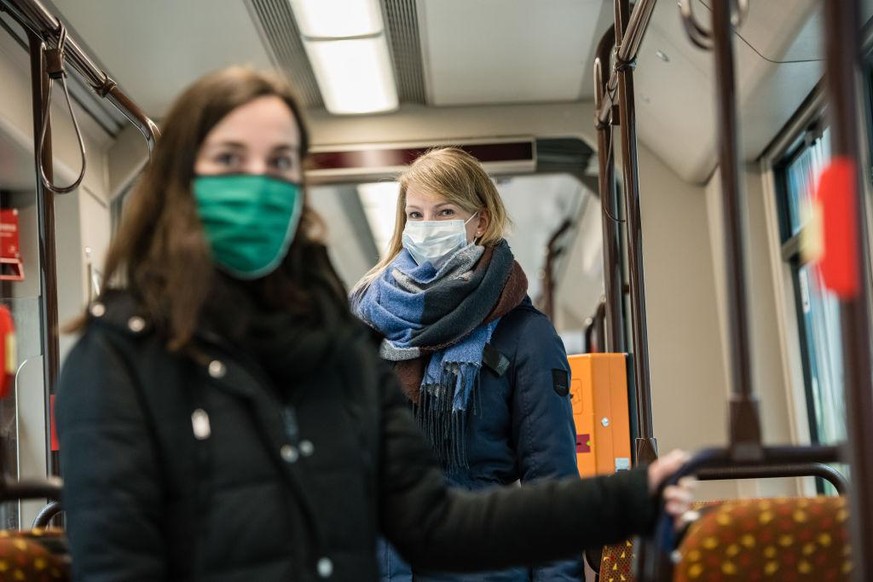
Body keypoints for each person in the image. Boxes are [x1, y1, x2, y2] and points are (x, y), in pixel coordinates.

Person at [56, 66, 693, 582]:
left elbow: (438, 522)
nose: (259, 183)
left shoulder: (337, 347)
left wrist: (621, 501)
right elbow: (117, 561)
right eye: (229, 157)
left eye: (280, 162)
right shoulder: (115, 360)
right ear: (180, 182)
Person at [349, 147, 585, 582]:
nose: (426, 227)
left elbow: (550, 483)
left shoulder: (523, 335)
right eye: (415, 215)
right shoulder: (365, 323)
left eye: (445, 211)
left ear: (479, 221)